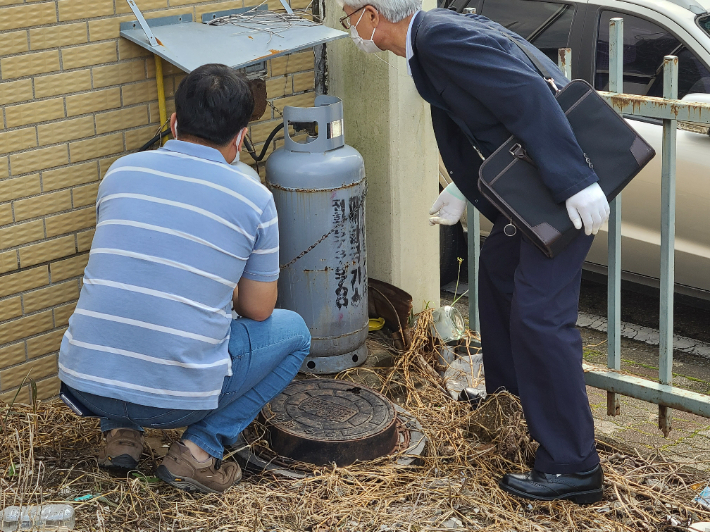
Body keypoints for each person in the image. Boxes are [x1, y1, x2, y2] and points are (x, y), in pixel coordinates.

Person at [339, 0, 610, 504]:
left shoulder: (439, 36)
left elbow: (526, 92)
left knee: (540, 318)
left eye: (347, 16)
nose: (348, 26)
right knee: (498, 281)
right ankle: (510, 412)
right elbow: (485, 113)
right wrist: (464, 191)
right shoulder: (433, 37)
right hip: (534, 191)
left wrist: (576, 179)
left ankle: (573, 465)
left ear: (372, 15)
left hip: (563, 190)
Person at [57, 64, 311, 494]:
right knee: (295, 334)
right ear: (242, 136)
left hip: (84, 388)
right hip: (173, 406)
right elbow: (257, 309)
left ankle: (121, 438)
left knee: (130, 294)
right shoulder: (254, 198)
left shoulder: (120, 171)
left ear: (174, 123)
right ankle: (196, 452)